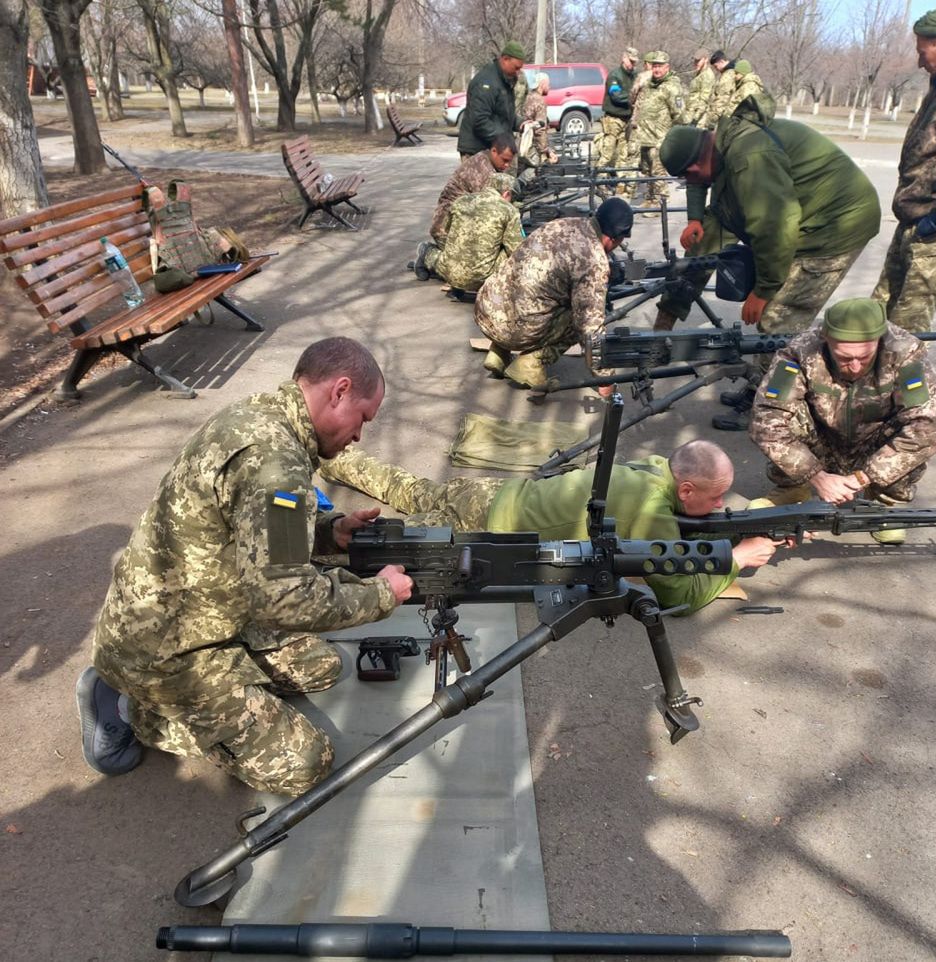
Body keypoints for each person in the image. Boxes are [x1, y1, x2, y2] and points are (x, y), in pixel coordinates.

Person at [75, 338, 415, 795]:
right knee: (305, 763)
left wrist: (329, 531)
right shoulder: (274, 462)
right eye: (363, 419)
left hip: (206, 611)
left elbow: (257, 527)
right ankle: (129, 706)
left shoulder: (262, 417)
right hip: (167, 648)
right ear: (339, 390)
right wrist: (380, 595)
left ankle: (196, 684)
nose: (359, 436)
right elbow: (285, 600)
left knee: (321, 666)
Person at [320, 440, 785, 615]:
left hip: (495, 493)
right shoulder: (652, 511)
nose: (722, 504)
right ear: (685, 491)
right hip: (488, 529)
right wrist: (737, 558)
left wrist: (749, 516)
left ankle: (341, 458)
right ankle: (299, 549)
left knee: (412, 488)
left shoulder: (656, 467)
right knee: (371, 548)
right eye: (716, 497)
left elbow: (683, 518)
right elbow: (678, 595)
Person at [655, 96, 881, 430]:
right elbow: (702, 246)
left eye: (692, 180)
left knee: (778, 322)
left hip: (835, 227)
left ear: (695, 167)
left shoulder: (750, 158)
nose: (695, 187)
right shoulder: (721, 150)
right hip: (801, 221)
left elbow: (775, 227)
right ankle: (761, 386)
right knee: (703, 249)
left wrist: (764, 290)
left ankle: (770, 408)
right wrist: (663, 326)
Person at [749, 298, 936, 544]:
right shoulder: (800, 353)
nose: (854, 366)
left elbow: (929, 427)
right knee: (781, 419)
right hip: (821, 442)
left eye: (864, 358)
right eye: (844, 358)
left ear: (880, 339)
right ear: (826, 339)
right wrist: (816, 476)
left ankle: (886, 502)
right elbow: (765, 420)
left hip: (874, 444)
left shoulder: (904, 354)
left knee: (917, 429)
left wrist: (861, 479)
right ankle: (793, 488)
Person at [474, 196, 633, 391]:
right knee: (581, 317)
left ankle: (499, 353)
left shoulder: (563, 224)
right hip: (514, 329)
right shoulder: (594, 261)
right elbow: (589, 327)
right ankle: (531, 363)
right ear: (614, 238)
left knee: (533, 292)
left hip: (486, 311)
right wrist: (605, 377)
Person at [872, 4, 936, 333]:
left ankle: (905, 386)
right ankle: (873, 383)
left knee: (906, 333)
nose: (919, 61)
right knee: (877, 313)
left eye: (923, 52)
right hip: (912, 219)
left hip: (934, 226)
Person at [413, 133, 516, 280]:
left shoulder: (489, 164)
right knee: (466, 267)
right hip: (447, 225)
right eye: (505, 160)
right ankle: (428, 254)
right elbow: (492, 210)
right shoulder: (482, 171)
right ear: (494, 151)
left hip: (463, 221)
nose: (507, 166)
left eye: (509, 162)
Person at [418, 173, 523, 291]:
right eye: (512, 198)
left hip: (449, 274)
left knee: (453, 246)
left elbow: (447, 230)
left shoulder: (460, 201)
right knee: (513, 251)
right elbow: (517, 250)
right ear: (506, 193)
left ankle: (426, 251)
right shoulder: (509, 210)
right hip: (482, 279)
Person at [623, 50, 685, 212]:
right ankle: (650, 199)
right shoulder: (649, 84)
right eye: (655, 66)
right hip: (645, 136)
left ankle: (660, 204)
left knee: (658, 172)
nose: (657, 70)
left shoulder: (671, 87)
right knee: (647, 171)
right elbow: (635, 100)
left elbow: (679, 115)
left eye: (660, 66)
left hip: (660, 138)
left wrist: (675, 137)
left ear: (667, 67)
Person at [457, 41, 526, 158]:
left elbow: (504, 114)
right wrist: (504, 139)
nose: (518, 72)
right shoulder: (486, 82)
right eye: (516, 68)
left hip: (495, 146)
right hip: (477, 149)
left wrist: (521, 123)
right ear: (505, 59)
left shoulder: (505, 79)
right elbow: (480, 120)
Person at [596, 47, 641, 186]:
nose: (632, 65)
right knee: (607, 153)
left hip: (626, 119)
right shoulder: (615, 75)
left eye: (634, 62)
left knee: (623, 153)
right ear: (624, 58)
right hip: (613, 119)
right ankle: (598, 181)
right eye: (630, 61)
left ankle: (620, 182)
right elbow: (616, 96)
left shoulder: (634, 76)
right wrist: (632, 98)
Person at [518, 72, 558, 182]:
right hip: (530, 142)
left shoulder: (528, 97)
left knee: (521, 167)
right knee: (536, 167)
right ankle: (519, 187)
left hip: (520, 140)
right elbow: (540, 129)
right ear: (542, 84)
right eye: (548, 84)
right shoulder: (539, 101)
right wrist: (546, 150)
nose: (549, 87)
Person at [699, 50, 737, 129]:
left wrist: (711, 121)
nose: (716, 69)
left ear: (722, 61)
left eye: (716, 66)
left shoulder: (727, 77)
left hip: (722, 118)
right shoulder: (729, 74)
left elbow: (721, 100)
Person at [685, 48, 715, 127]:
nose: (696, 63)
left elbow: (704, 99)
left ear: (706, 60)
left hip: (698, 119)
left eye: (698, 61)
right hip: (690, 113)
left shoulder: (707, 75)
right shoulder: (699, 73)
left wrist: (695, 119)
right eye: (695, 60)